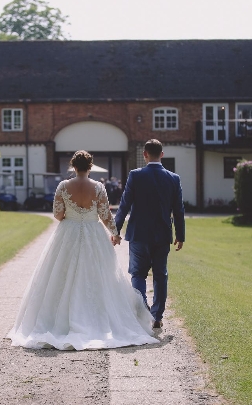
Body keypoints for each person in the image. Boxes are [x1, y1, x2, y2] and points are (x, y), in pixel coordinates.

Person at [8, 150, 159, 350]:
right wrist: (115, 233)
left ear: (73, 166)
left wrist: (71, 215)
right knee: (98, 275)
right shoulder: (98, 187)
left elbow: (57, 214)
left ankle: (60, 319)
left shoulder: (63, 186)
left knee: (60, 273)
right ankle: (97, 318)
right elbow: (105, 215)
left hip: (67, 232)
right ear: (89, 167)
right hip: (93, 232)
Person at [114, 139, 185, 329]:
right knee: (160, 274)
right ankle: (157, 316)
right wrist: (180, 235)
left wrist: (116, 230)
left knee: (138, 273)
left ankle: (142, 311)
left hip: (139, 234)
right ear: (162, 154)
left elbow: (125, 205)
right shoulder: (173, 178)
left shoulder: (135, 175)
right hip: (162, 234)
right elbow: (178, 210)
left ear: (145, 154)